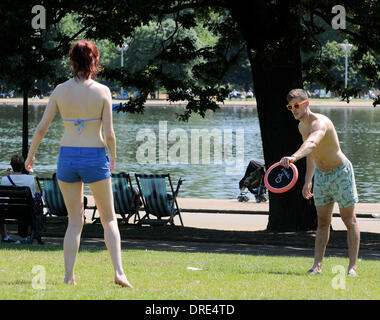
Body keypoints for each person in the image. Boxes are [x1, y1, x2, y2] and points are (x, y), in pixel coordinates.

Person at [24, 39, 133, 288]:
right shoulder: (103, 91)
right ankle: (119, 272)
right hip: (94, 156)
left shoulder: (60, 90)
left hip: (67, 157)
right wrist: (113, 155)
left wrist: (30, 156)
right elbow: (109, 135)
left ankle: (68, 277)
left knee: (75, 221)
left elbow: (41, 129)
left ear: (72, 62)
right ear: (94, 61)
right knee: (109, 219)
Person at [279, 88, 360, 277]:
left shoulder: (320, 122)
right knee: (323, 222)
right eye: (290, 107)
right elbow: (312, 154)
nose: (294, 110)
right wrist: (308, 180)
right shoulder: (301, 126)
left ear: (306, 104)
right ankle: (317, 266)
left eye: (297, 106)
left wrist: (293, 157)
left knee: (349, 220)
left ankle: (352, 267)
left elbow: (312, 144)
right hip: (322, 176)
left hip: (341, 173)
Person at [1, 154, 37, 244]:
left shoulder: (5, 179)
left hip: (9, 213)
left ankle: (5, 237)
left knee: (1, 208)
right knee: (26, 207)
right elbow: (33, 196)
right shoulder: (30, 179)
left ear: (11, 166)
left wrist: (10, 175)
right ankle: (24, 237)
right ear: (23, 165)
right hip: (27, 212)